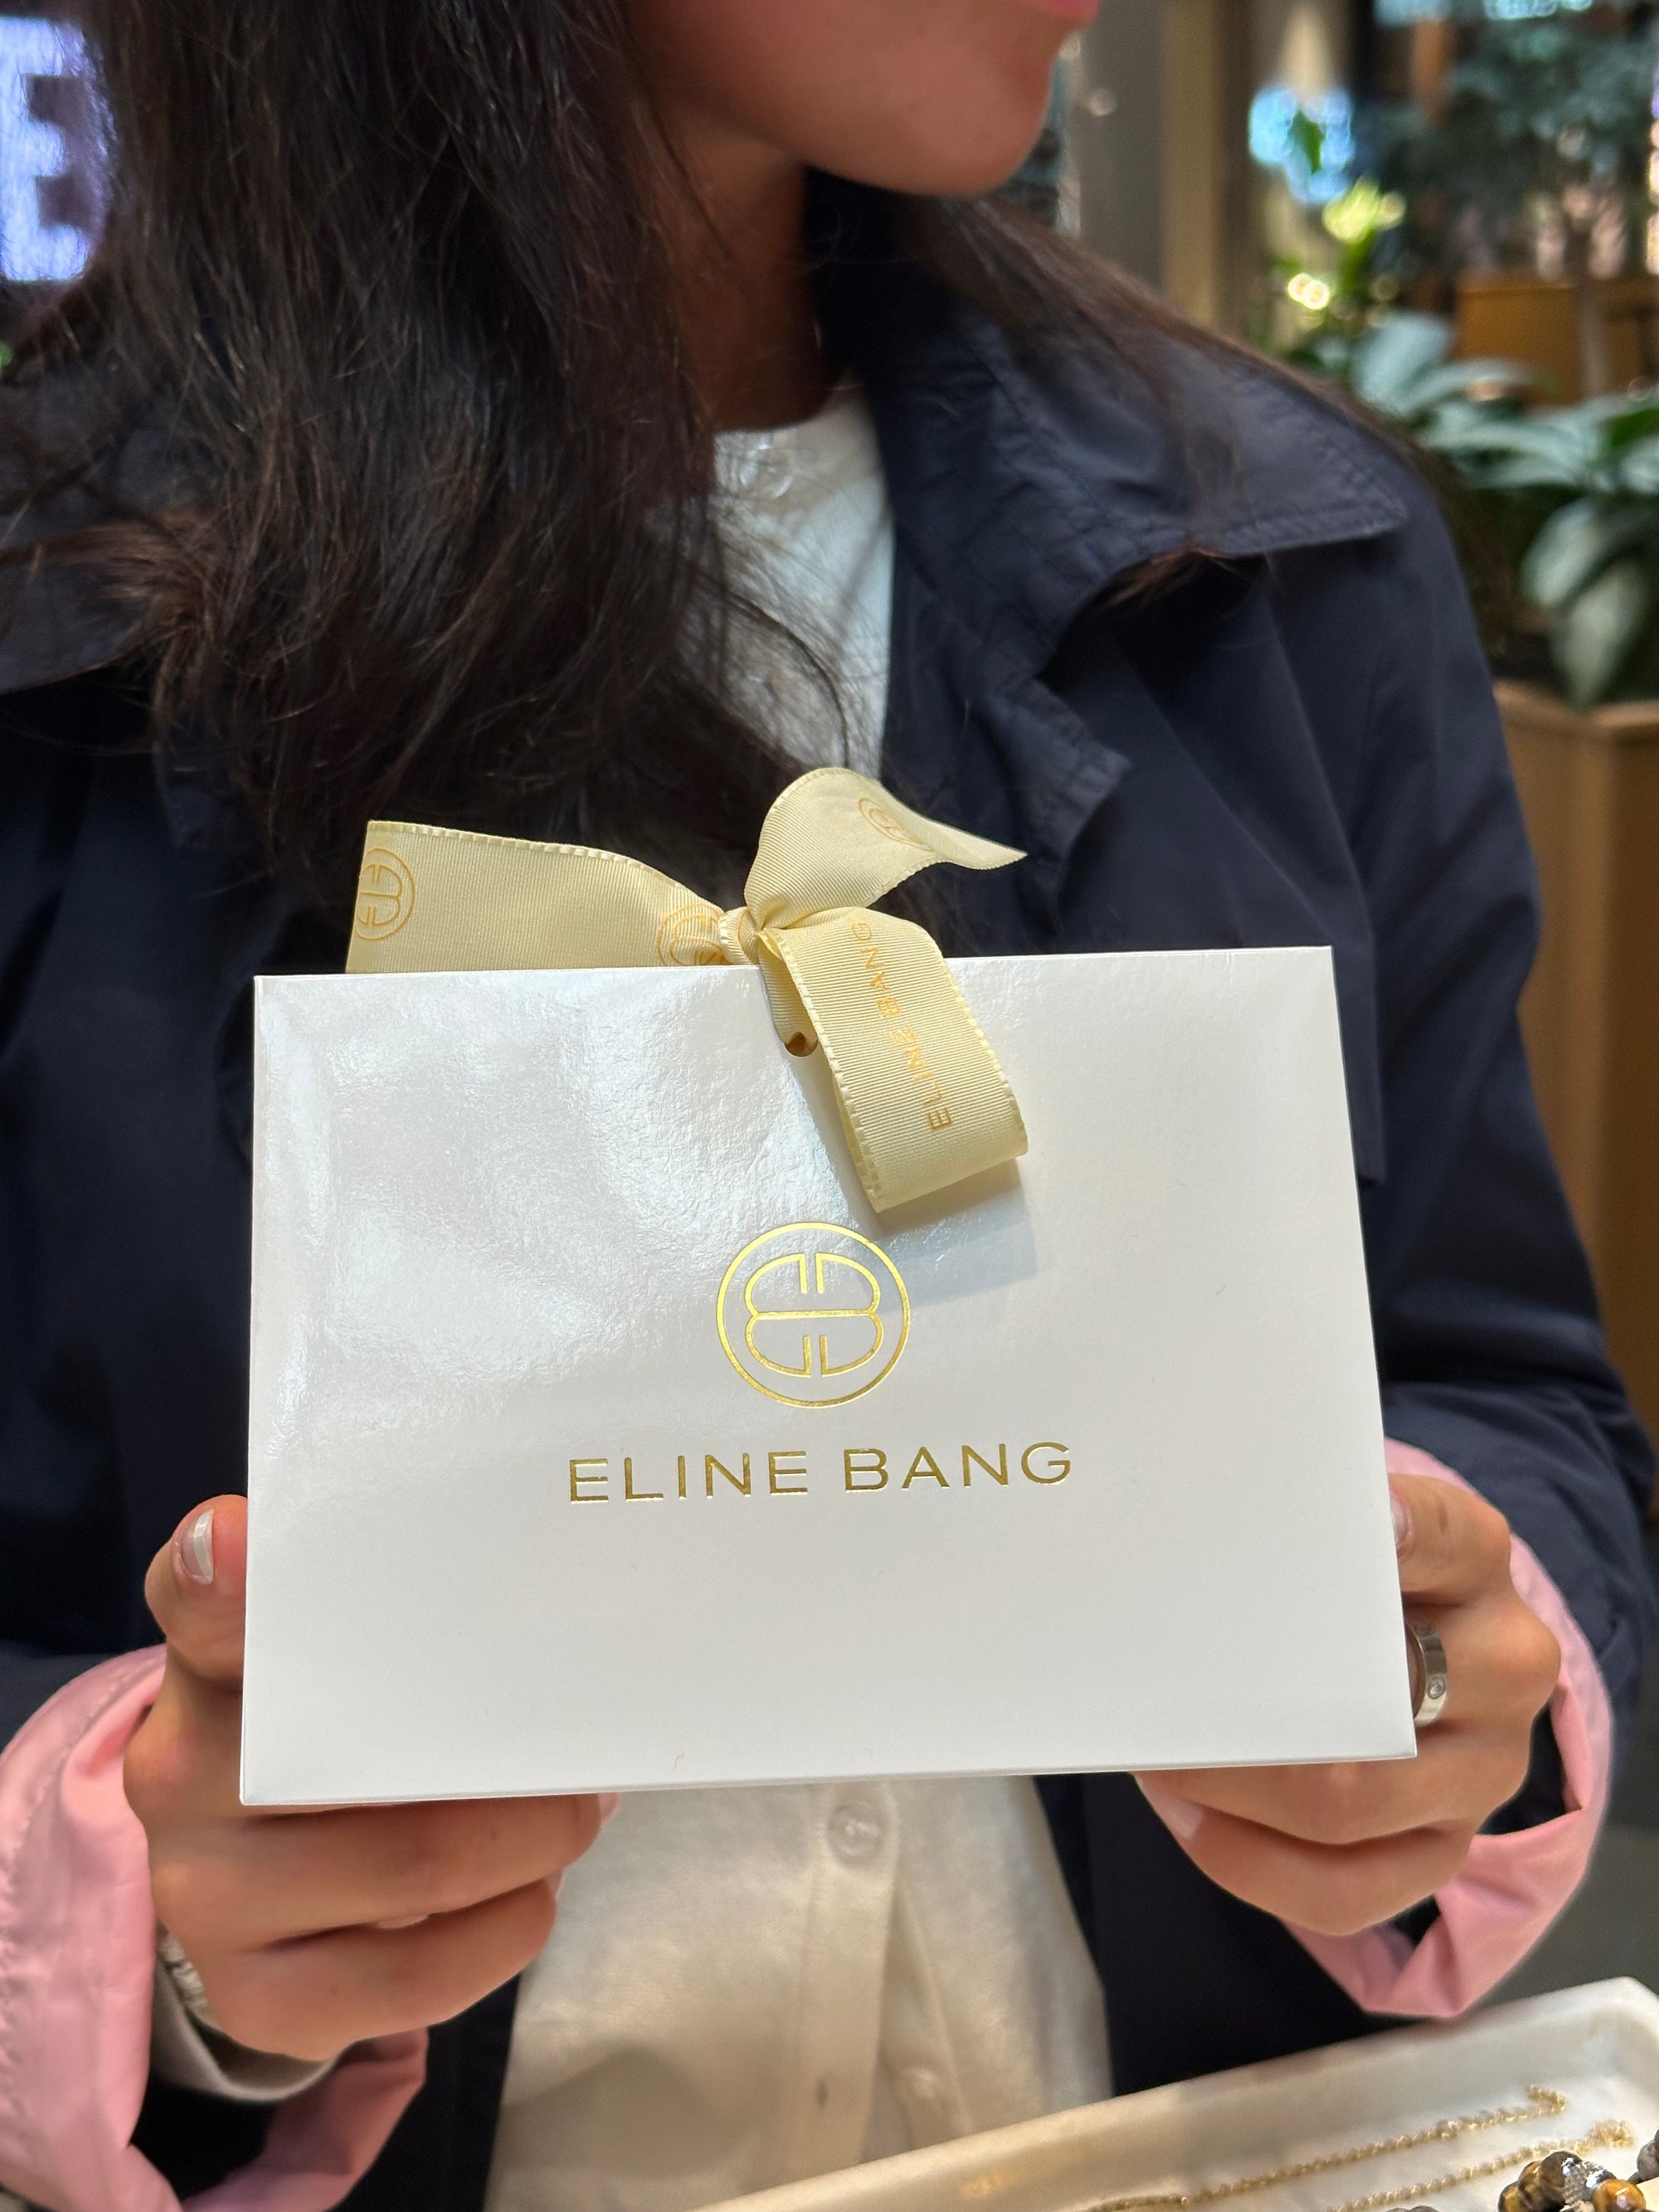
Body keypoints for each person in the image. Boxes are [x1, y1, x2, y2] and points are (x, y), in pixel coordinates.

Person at [0, 2, 1652, 2208]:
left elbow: (1505, 1380)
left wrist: (1455, 1640)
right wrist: (101, 1895)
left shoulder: (1282, 560)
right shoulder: (51, 626)